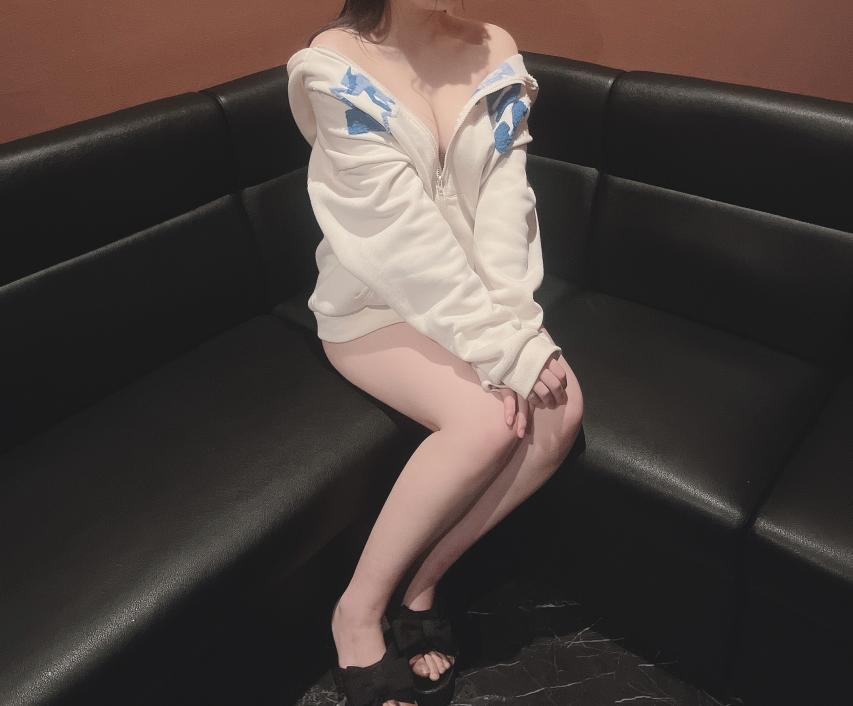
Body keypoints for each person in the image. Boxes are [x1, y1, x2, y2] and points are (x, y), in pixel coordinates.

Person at [286, 1, 584, 704]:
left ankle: (422, 584)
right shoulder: (335, 69)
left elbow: (508, 200)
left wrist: (514, 327)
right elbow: (398, 239)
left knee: (560, 412)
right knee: (486, 422)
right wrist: (498, 347)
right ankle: (357, 612)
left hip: (474, 300)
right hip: (372, 305)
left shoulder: (493, 48)